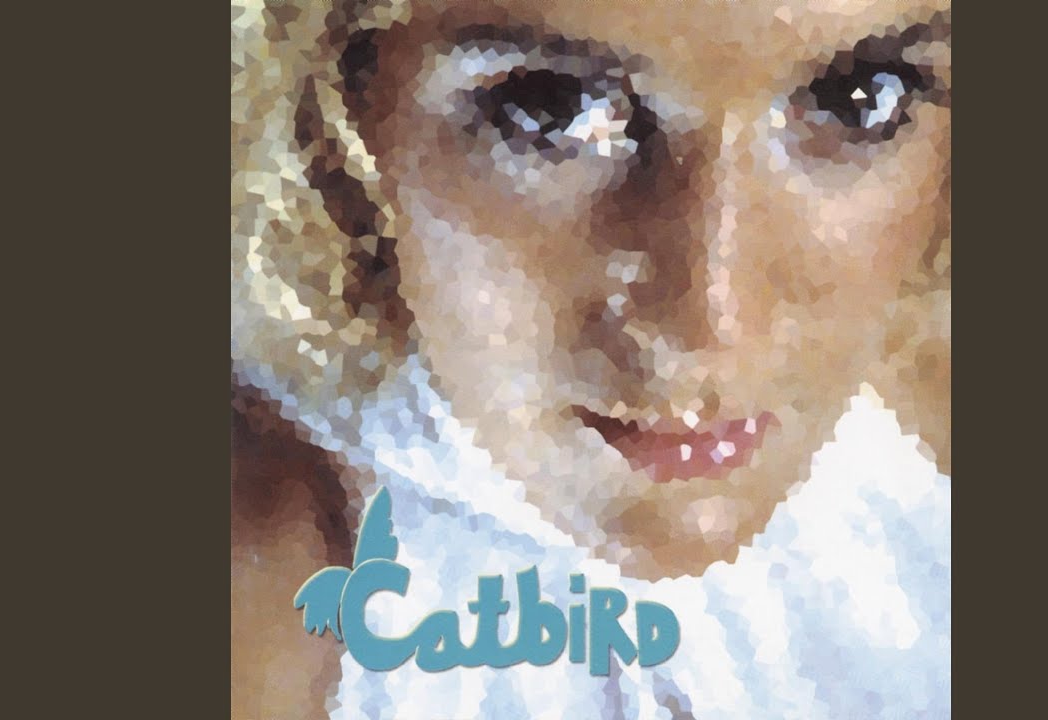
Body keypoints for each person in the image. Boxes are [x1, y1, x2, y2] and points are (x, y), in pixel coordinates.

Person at [232, 0, 950, 717]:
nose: (710, 326)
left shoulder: (922, 485)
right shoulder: (271, 589)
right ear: (335, 106)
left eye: (858, 98)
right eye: (550, 109)